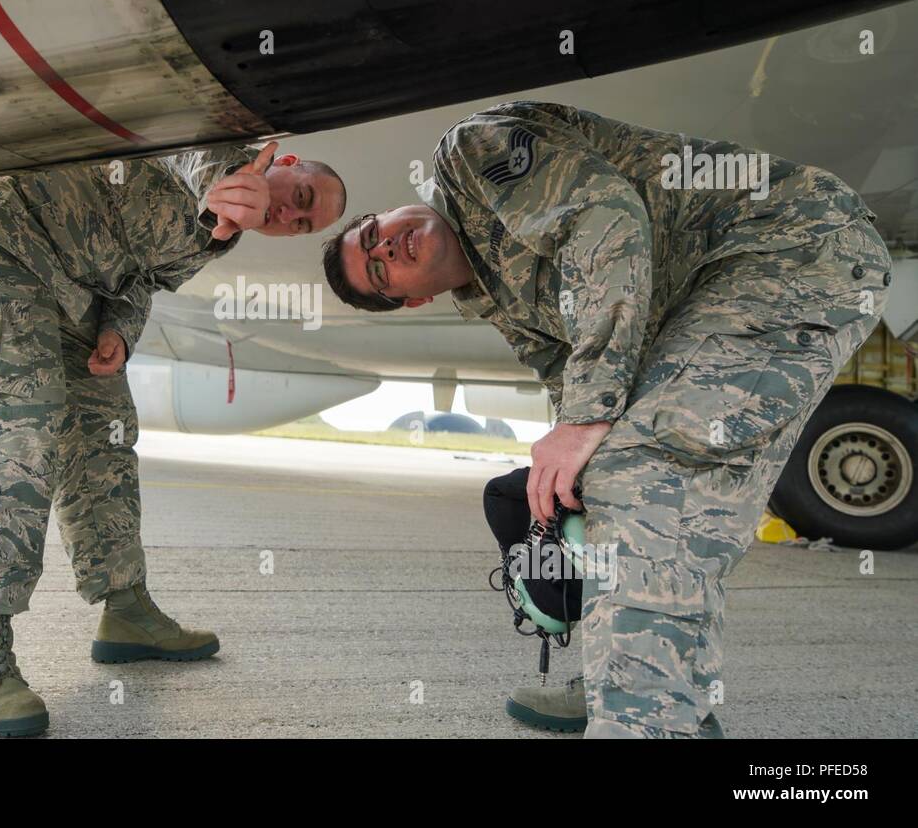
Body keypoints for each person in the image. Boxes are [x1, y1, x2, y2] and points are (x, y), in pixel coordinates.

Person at [322, 101, 890, 738]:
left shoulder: (474, 154)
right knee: (637, 496)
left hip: (783, 247)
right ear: (413, 297)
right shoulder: (494, 297)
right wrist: (566, 485)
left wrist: (590, 421)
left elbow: (603, 220)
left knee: (639, 472)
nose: (387, 245)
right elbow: (566, 377)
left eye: (373, 231)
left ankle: (639, 719)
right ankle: (653, 696)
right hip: (731, 289)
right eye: (380, 268)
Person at [0, 141, 346, 736]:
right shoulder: (223, 146)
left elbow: (142, 279)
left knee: (106, 436)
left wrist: (119, 331)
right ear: (284, 163)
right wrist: (227, 182)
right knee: (10, 441)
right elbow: (192, 153)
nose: (291, 216)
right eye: (300, 197)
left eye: (304, 224)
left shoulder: (217, 237)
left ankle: (125, 609)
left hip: (71, 292)